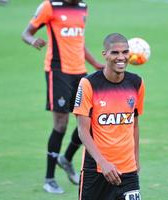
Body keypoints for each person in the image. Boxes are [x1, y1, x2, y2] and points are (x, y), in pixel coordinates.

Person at [21, 0, 104, 194]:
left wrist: (95, 64)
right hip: (58, 71)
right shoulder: (50, 6)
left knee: (88, 120)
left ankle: (66, 159)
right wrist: (33, 41)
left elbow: (79, 43)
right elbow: (26, 33)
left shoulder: (83, 7)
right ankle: (49, 179)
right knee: (61, 124)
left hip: (80, 72)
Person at [73, 33, 145, 200]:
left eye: (125, 52)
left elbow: (134, 124)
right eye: (115, 53)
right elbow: (82, 131)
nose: (121, 57)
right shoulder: (89, 84)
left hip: (128, 171)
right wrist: (103, 163)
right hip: (96, 171)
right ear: (105, 54)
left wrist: (136, 159)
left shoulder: (136, 83)